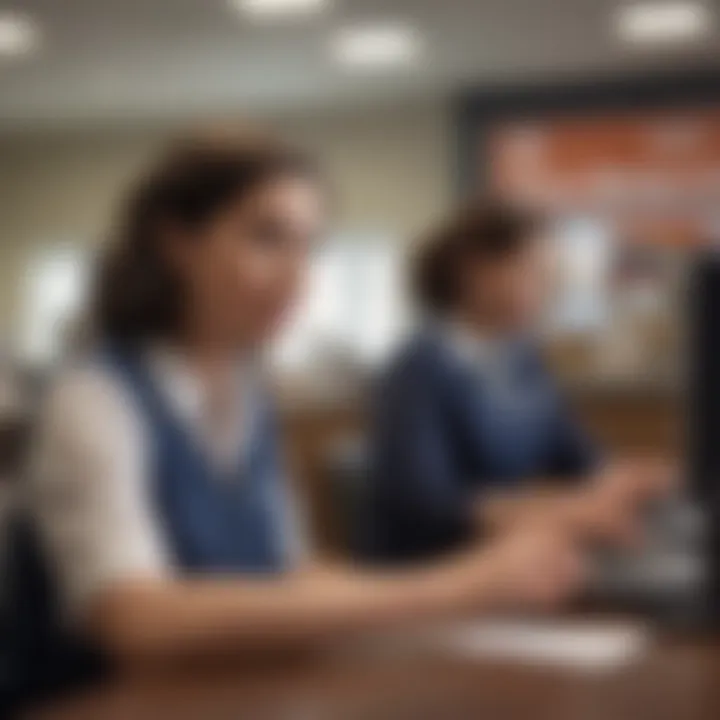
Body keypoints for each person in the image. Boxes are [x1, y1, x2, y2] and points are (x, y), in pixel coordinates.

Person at [29, 137, 586, 672]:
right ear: (177, 242)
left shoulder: (249, 393)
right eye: (267, 238)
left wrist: (469, 597)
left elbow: (289, 573)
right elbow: (135, 618)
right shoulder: (93, 397)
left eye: (308, 248)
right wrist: (456, 587)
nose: (299, 277)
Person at [365, 202, 672, 564]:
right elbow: (430, 506)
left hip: (508, 560)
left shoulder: (523, 360)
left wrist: (630, 480)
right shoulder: (418, 370)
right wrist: (559, 512)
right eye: (531, 271)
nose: (545, 289)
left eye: (548, 276)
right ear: (473, 269)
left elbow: (578, 459)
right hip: (433, 574)